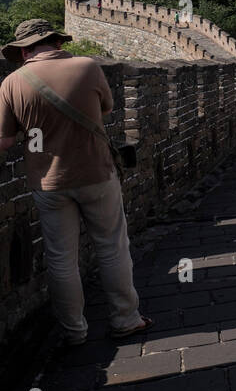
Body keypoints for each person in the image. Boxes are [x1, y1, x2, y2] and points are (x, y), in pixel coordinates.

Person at [0, 19, 151, 345]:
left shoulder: (11, 83)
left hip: (49, 182)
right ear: (56, 42)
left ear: (24, 49)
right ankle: (126, 319)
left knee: (60, 257)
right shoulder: (87, 66)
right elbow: (107, 109)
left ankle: (74, 331)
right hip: (96, 173)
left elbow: (6, 141)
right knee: (112, 247)